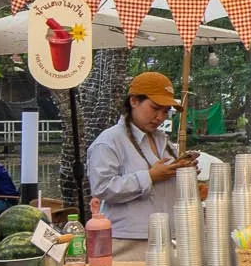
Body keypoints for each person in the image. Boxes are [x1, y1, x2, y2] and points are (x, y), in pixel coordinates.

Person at [83, 72, 195, 256]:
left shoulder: (162, 140)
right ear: (134, 101)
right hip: (128, 243)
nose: (160, 117)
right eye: (155, 108)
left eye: (166, 111)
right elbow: (102, 188)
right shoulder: (109, 141)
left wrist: (184, 171)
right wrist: (150, 176)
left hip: (167, 238)